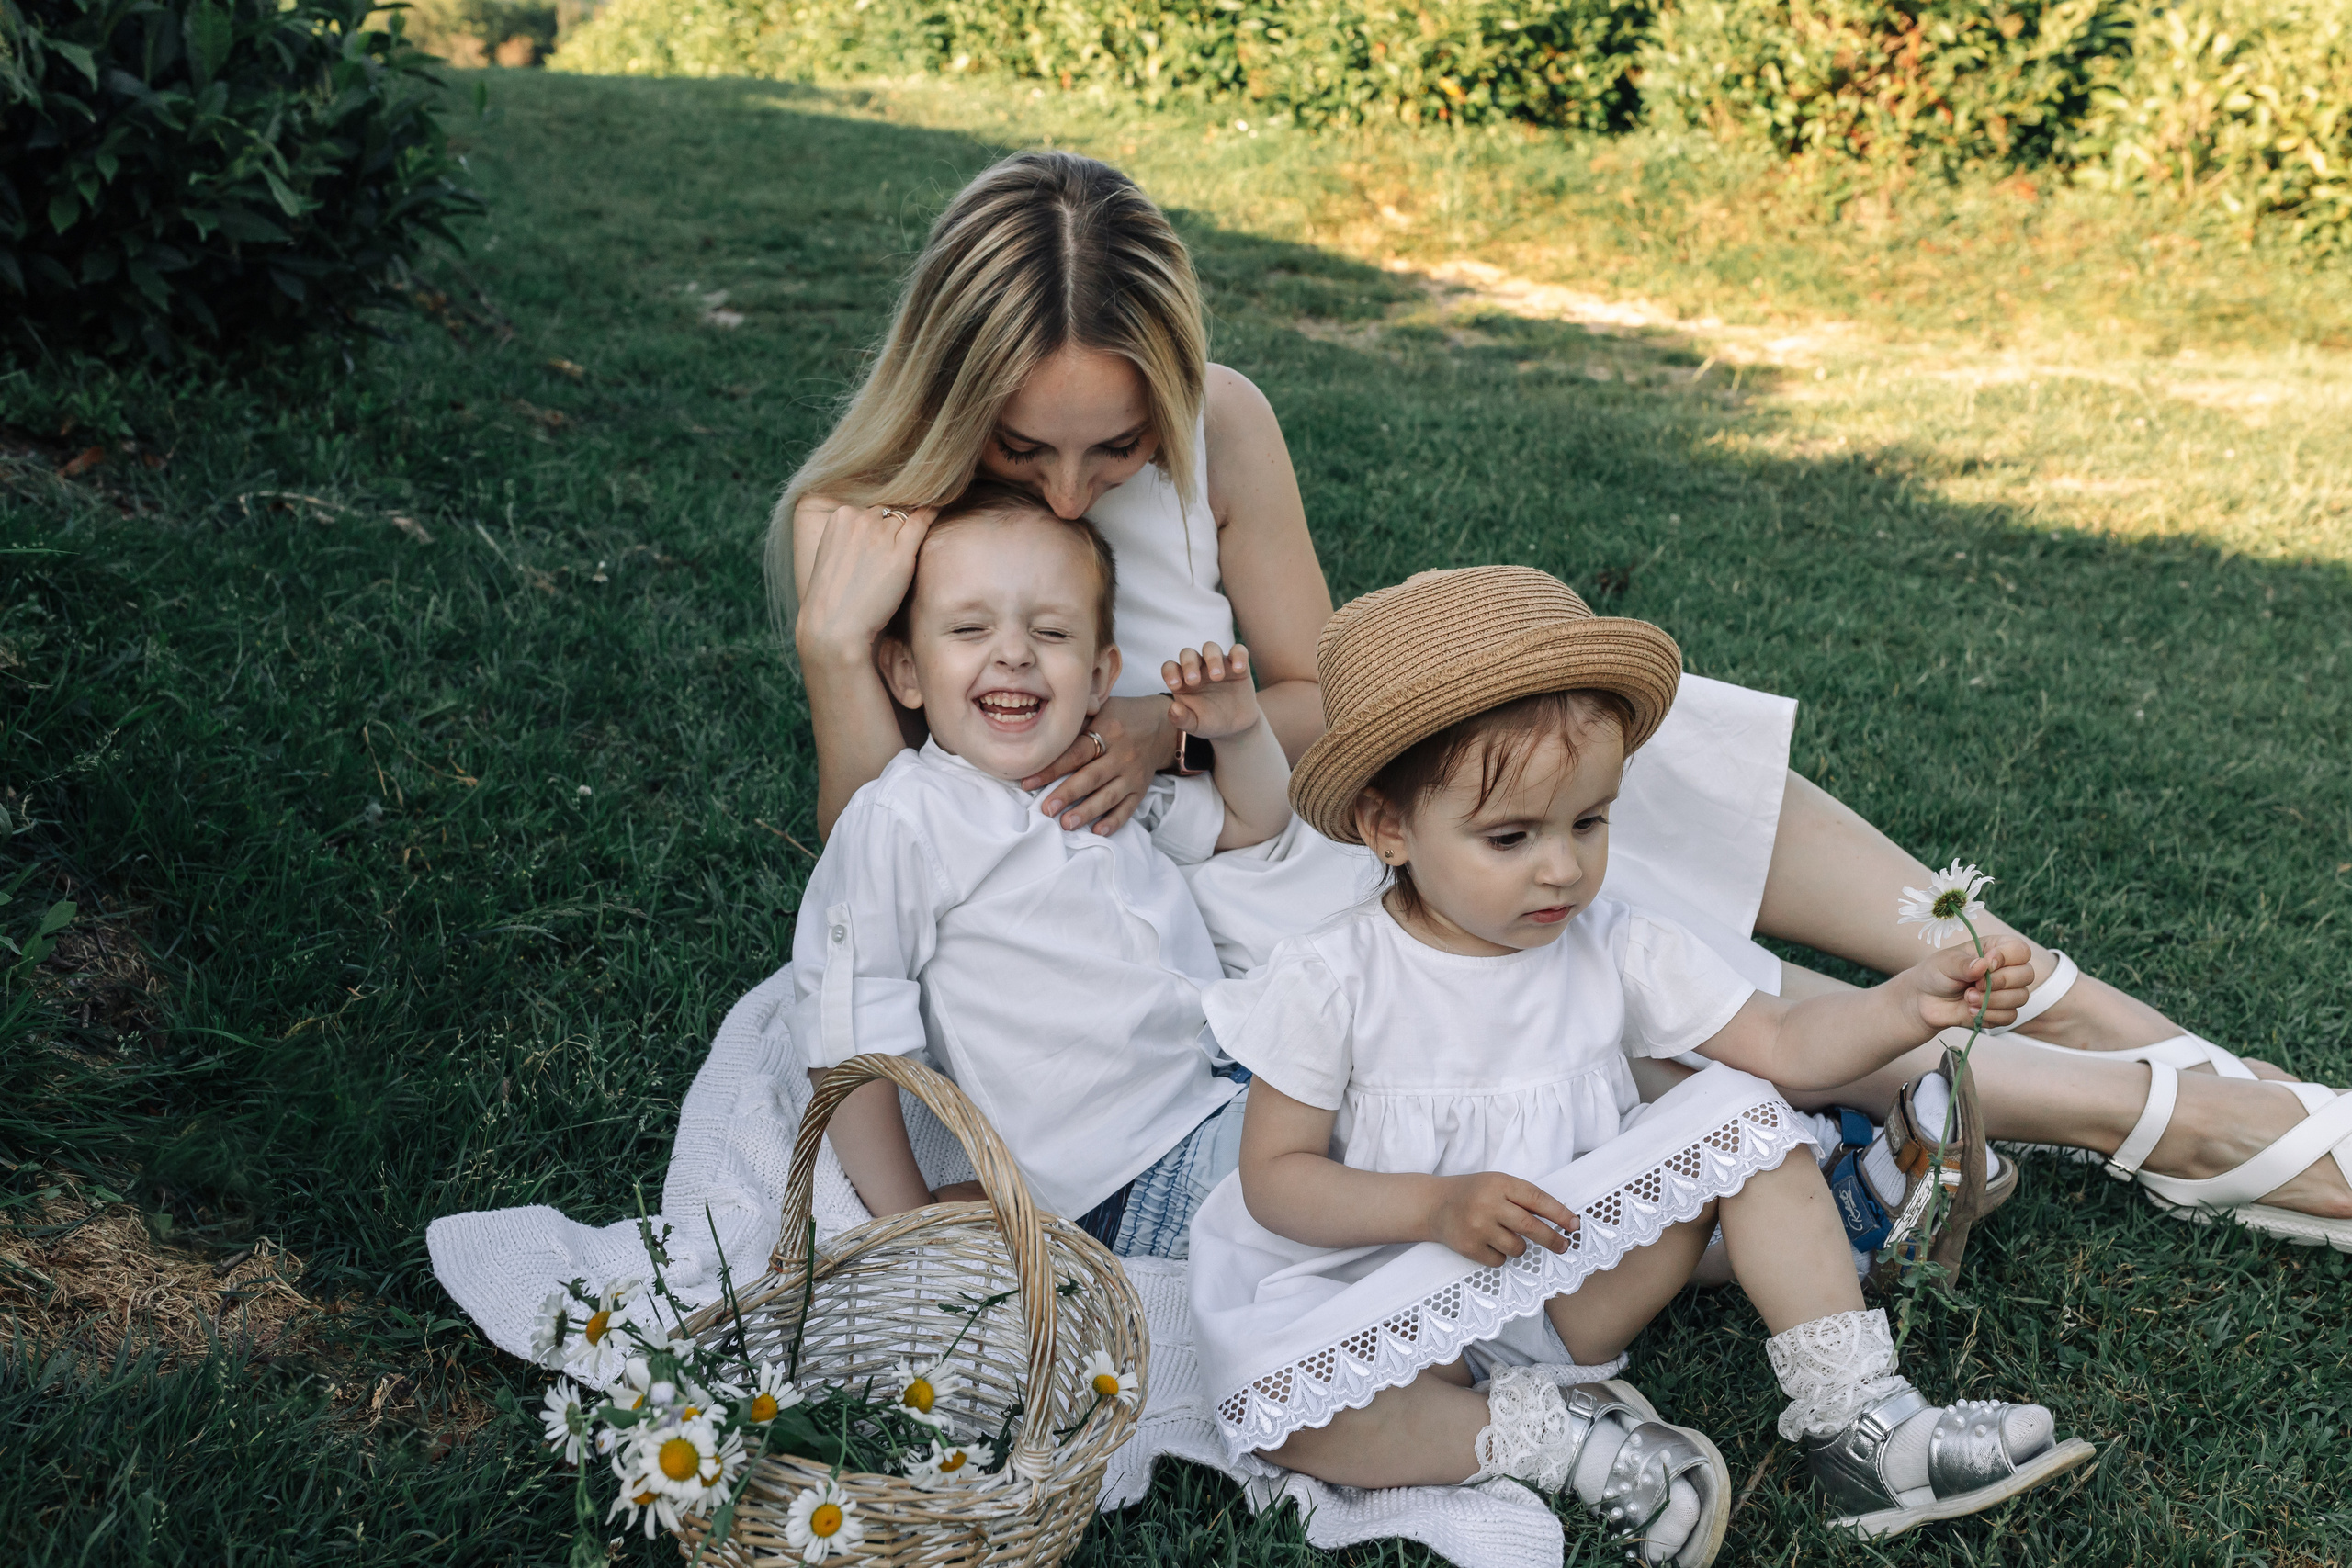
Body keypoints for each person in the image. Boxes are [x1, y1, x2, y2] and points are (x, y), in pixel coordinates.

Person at [776, 150, 2350, 1252]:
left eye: (1111, 446)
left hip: (1335, 781)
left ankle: (2219, 1083)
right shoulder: (868, 523)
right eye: (1026, 446)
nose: (1069, 485)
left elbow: (1326, 692)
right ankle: (2169, 1124)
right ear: (950, 382)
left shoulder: (1222, 426)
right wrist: (837, 655)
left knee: (1719, 815)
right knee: (1685, 997)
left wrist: (1170, 720)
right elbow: (873, 851)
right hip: (1258, 895)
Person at [1187, 568, 2096, 1565]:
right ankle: (1566, 1444)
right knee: (1277, 1411)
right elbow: (1276, 1180)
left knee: (1740, 1111)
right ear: (1386, 827)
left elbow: (1783, 1046)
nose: (1563, 867)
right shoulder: (1332, 976)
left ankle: (1861, 1422)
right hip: (1374, 1296)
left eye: (1589, 822)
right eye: (1511, 836)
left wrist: (1903, 1004)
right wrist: (1434, 1208)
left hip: (1574, 1280)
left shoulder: (1612, 943)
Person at [790, 482, 1285, 1255]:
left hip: (1232, 1085)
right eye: (969, 627)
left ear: (1098, 677)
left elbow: (1255, 821)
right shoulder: (908, 816)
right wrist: (908, 1221)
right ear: (907, 674)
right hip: (1133, 1167)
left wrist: (1242, 731)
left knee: (1411, 1098)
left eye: (1051, 631)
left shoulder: (1096, 776)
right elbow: (848, 1033)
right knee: (1345, 1202)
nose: (1014, 651)